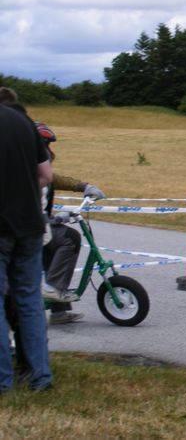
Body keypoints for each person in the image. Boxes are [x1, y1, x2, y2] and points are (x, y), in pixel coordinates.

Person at [0, 104, 54, 392]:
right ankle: (39, 376)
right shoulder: (22, 121)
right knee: (30, 301)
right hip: (30, 224)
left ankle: (3, 380)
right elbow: (46, 175)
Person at [34, 122, 105, 325]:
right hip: (25, 228)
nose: (48, 150)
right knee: (69, 238)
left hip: (36, 225)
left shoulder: (34, 166)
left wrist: (83, 186)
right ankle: (55, 290)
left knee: (51, 254)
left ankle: (59, 311)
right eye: (45, 145)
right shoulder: (23, 168)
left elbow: (53, 179)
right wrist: (53, 219)